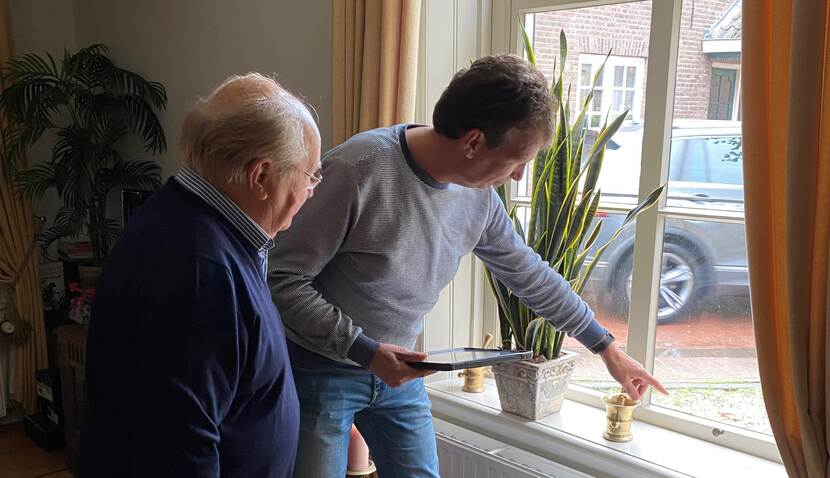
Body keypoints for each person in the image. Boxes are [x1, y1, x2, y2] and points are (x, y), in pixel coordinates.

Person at [269, 54, 668, 478]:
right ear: (473, 142)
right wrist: (364, 350)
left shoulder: (478, 197)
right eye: (517, 160)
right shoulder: (357, 170)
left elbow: (528, 274)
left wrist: (605, 347)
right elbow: (281, 279)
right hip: (319, 371)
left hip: (400, 378)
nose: (518, 177)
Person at [82, 73, 321, 477]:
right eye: (309, 174)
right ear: (260, 176)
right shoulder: (198, 269)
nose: (311, 190)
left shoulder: (189, 220)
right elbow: (178, 450)